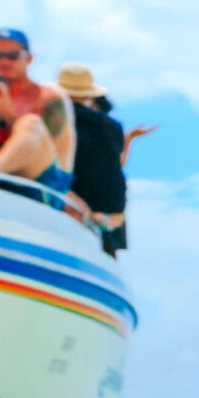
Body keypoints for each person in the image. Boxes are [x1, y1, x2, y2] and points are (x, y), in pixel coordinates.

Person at [56, 63, 155, 255]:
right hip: (113, 216)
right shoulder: (113, 126)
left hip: (75, 208)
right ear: (89, 95)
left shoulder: (58, 118)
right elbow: (117, 164)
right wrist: (130, 138)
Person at [0, 27, 76, 174]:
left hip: (45, 178)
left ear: (29, 58)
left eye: (13, 55)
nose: (3, 61)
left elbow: (36, 146)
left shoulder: (50, 98)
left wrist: (7, 114)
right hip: (0, 175)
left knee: (31, 123)